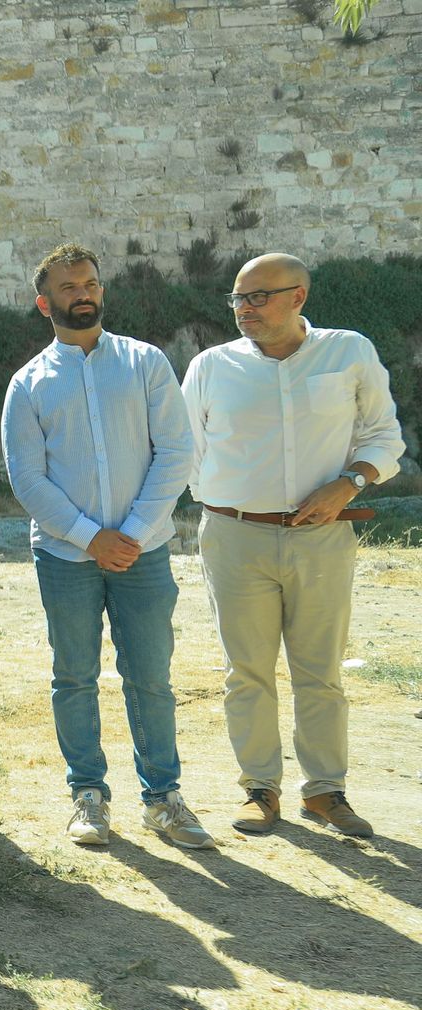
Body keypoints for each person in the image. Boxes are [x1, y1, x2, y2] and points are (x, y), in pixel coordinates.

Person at [182, 252, 404, 838]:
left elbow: (385, 436)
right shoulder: (211, 365)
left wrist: (349, 482)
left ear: (298, 297)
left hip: (322, 537)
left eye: (258, 296)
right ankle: (260, 789)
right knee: (245, 671)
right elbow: (186, 447)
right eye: (237, 298)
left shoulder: (348, 351)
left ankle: (326, 792)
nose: (244, 308)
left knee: (321, 671)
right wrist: (228, 504)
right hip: (235, 536)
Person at [1, 243, 212, 849]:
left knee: (150, 677)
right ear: (45, 302)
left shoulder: (145, 363)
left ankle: (163, 798)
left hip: (144, 553)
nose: (83, 294)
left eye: (90, 283)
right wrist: (92, 539)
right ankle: (88, 796)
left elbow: (176, 451)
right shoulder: (28, 383)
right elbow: (27, 479)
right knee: (74, 676)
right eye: (69, 287)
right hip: (66, 557)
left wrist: (132, 533)